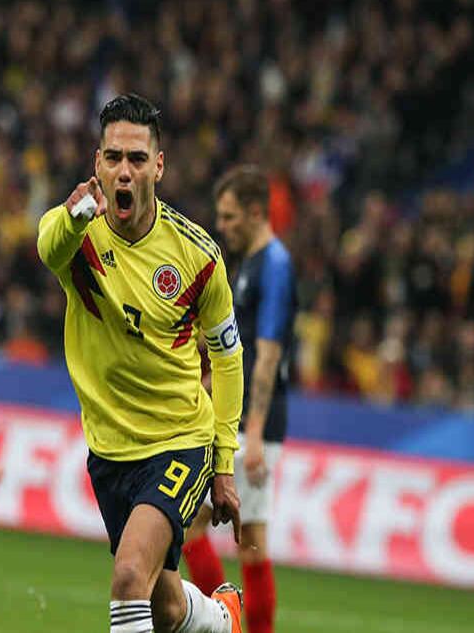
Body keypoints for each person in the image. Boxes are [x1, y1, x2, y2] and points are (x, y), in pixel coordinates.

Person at [37, 93, 245, 633]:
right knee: (165, 606)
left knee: (129, 576)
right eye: (112, 158)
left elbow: (226, 358)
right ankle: (223, 620)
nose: (123, 171)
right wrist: (75, 214)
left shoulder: (197, 257)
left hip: (178, 440)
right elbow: (47, 246)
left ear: (158, 165)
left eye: (135, 159)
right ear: (97, 165)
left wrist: (224, 462)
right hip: (109, 450)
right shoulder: (78, 236)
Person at [183, 166, 296, 633]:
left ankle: (228, 619)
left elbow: (267, 354)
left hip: (254, 424)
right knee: (218, 535)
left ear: (255, 212)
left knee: (242, 540)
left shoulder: (275, 264)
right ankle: (228, 619)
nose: (222, 226)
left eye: (230, 217)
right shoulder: (249, 264)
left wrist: (251, 433)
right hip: (240, 418)